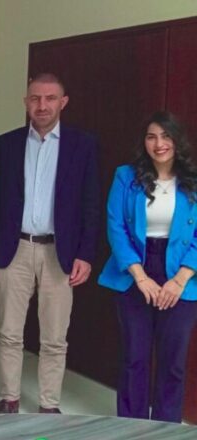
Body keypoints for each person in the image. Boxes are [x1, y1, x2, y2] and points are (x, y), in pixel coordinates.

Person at [0, 73, 100, 414]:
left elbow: (91, 204)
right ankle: (9, 398)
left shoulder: (82, 145)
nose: (42, 105)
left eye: (50, 98)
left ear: (63, 102)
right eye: (35, 98)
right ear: (26, 102)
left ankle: (49, 405)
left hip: (59, 253)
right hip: (15, 248)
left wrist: (85, 254)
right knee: (9, 331)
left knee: (54, 337)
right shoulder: (7, 144)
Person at [98, 111, 197, 423]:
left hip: (181, 272)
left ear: (177, 141)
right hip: (135, 270)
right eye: (151, 136)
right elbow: (116, 227)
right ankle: (132, 426)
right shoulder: (125, 176)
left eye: (166, 136)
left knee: (173, 361)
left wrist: (179, 280)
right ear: (144, 142)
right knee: (134, 357)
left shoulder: (193, 181)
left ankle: (166, 428)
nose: (159, 143)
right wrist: (140, 277)